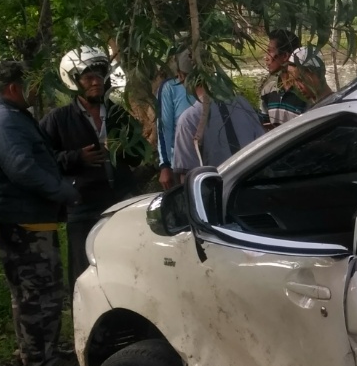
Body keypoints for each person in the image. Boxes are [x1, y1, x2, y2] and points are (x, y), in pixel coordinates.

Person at [0, 60, 80, 366]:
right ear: (14, 88)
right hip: (23, 221)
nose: (37, 91)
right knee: (41, 291)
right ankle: (41, 359)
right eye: (32, 84)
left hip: (29, 217)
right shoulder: (5, 121)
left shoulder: (12, 115)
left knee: (30, 290)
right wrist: (62, 191)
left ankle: (36, 350)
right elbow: (23, 168)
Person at [40, 47, 148, 286]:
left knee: (125, 265)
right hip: (82, 206)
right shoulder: (58, 120)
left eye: (99, 76)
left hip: (120, 202)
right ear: (75, 82)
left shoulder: (117, 113)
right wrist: (77, 157)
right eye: (88, 78)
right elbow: (43, 161)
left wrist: (125, 147)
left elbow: (138, 155)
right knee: (84, 270)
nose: (95, 82)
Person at [170, 72, 265, 179]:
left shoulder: (189, 119)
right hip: (255, 181)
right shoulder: (242, 104)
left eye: (178, 76)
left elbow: (188, 175)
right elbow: (262, 145)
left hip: (220, 190)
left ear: (183, 78)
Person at [260, 29, 330, 129]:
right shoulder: (268, 90)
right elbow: (264, 125)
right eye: (296, 80)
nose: (266, 58)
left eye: (270, 51)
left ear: (285, 56)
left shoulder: (308, 94)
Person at [155, 46, 196, 188]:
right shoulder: (169, 87)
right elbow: (164, 127)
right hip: (182, 162)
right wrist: (165, 165)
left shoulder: (214, 83)